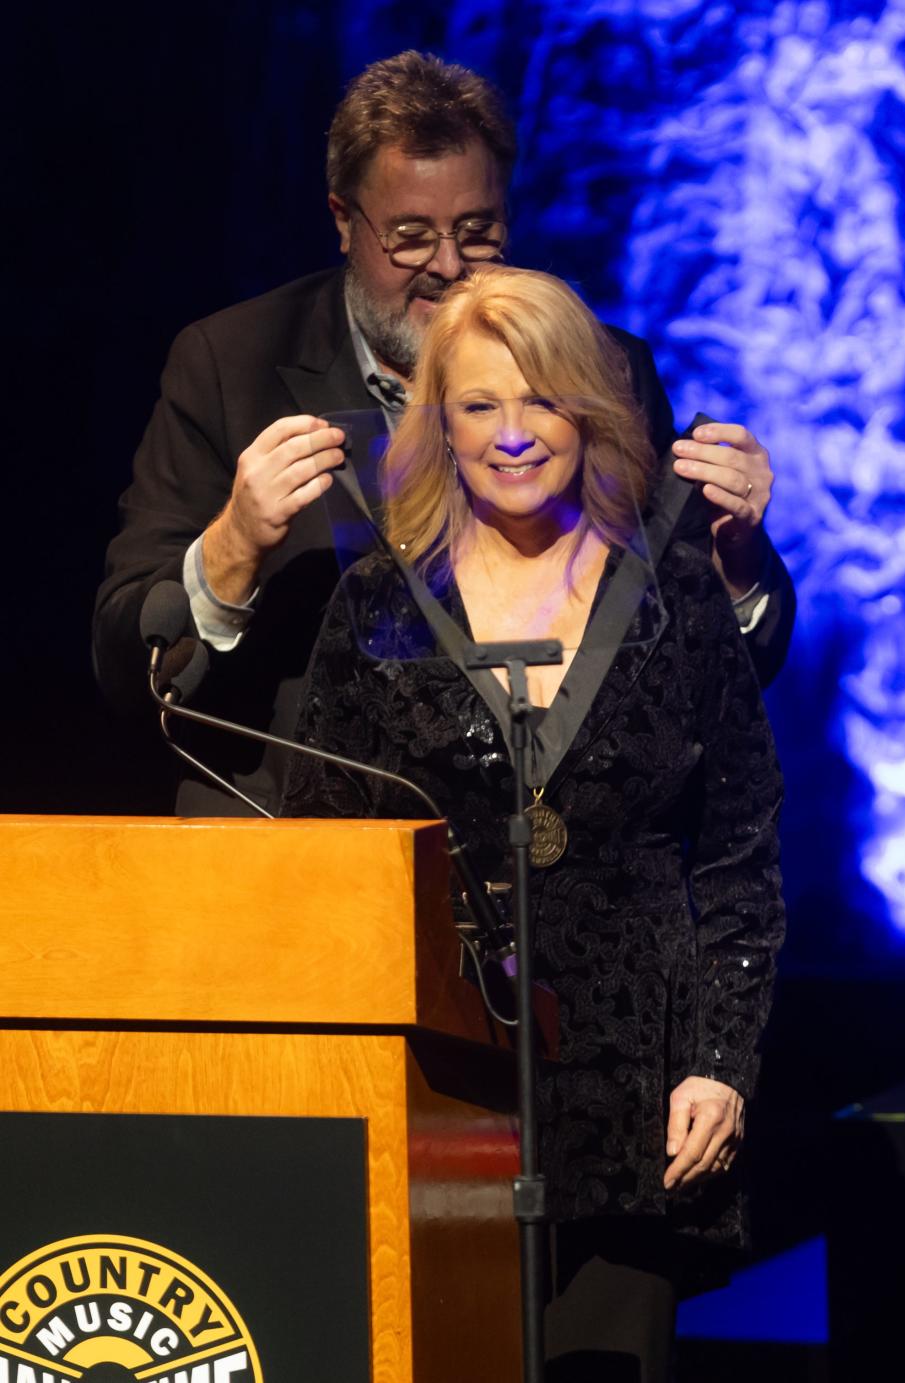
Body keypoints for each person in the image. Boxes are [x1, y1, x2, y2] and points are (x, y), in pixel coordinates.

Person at [280, 265, 786, 1381]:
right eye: (479, 406)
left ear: (591, 409)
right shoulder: (380, 604)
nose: (515, 435)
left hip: (637, 1099)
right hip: (439, 1100)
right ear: (440, 425)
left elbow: (743, 848)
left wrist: (720, 1066)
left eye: (543, 399)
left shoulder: (675, 596)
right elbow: (323, 858)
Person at [93, 50, 795, 817]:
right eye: (410, 236)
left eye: (476, 229)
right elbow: (127, 672)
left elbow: (711, 674)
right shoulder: (228, 367)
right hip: (299, 857)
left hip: (547, 872)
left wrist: (738, 565)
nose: (450, 264)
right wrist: (232, 549)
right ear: (342, 220)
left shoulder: (605, 371)